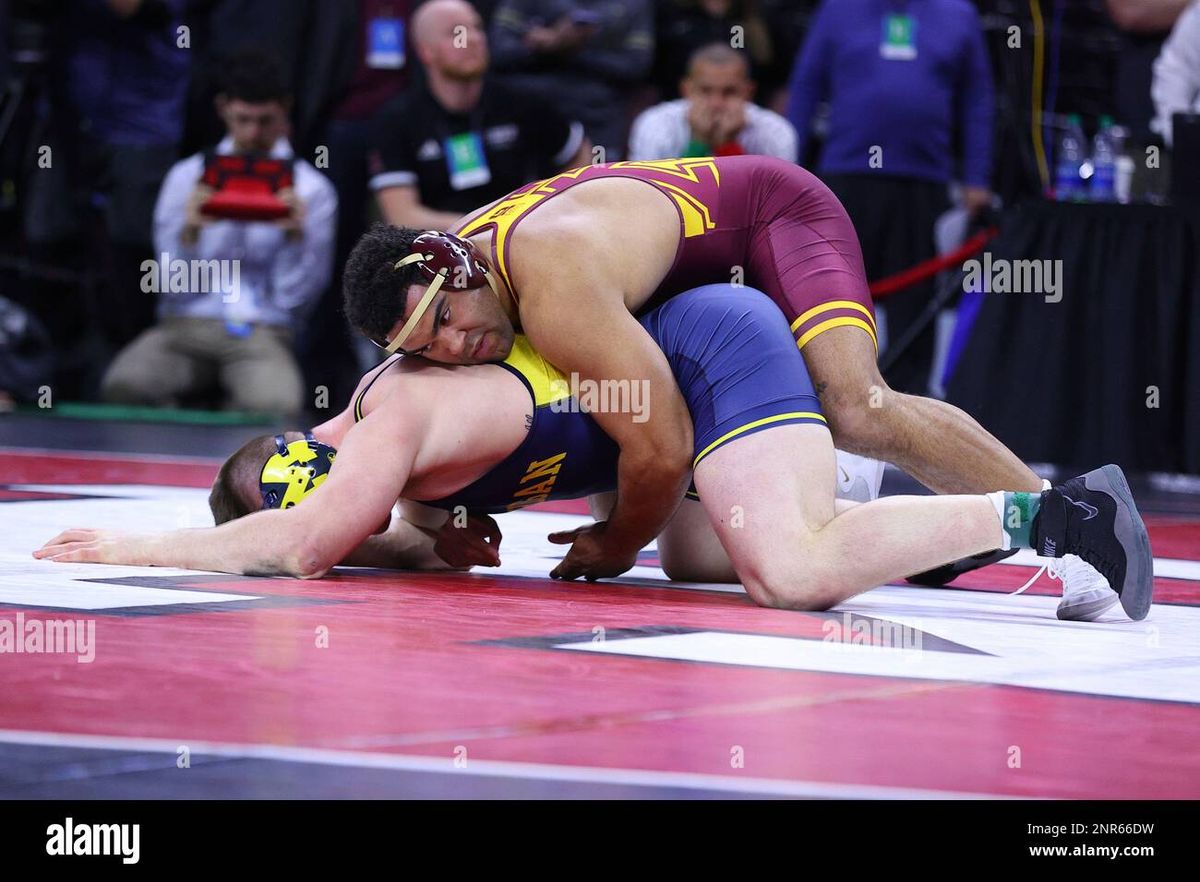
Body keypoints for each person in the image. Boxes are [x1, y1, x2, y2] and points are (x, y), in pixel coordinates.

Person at [34, 282, 1150, 622]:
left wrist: (148, 541)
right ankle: (902, 519)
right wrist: (404, 543)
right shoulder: (390, 484)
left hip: (701, 353)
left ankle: (1054, 516)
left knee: (788, 572)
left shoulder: (391, 423)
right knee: (701, 561)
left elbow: (307, 549)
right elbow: (396, 544)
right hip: (670, 395)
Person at [338, 155, 1110, 612]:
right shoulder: (462, 280)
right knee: (699, 554)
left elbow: (663, 445)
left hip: (775, 218)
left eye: (446, 315)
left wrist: (615, 543)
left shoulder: (550, 280)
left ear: (463, 267)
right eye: (429, 346)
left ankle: (1080, 526)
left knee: (854, 405)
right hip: (692, 293)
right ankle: (903, 505)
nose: (456, 344)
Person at [99, 51, 337, 415]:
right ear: (223, 108)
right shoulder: (186, 177)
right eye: (243, 119)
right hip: (186, 325)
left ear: (285, 110)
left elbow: (295, 302)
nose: (253, 133)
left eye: (265, 120)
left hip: (263, 330)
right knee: (125, 385)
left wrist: (294, 240)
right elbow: (169, 286)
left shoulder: (312, 189)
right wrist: (189, 232)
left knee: (275, 404)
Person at [784, 0, 995, 394]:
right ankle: (825, 395)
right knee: (834, 296)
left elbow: (977, 101)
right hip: (846, 176)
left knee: (914, 305)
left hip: (923, 180)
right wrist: (788, 170)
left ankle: (909, 407)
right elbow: (806, 88)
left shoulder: (959, 13)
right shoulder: (837, 9)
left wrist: (976, 177)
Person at [369, 0, 590, 231]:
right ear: (426, 51)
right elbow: (403, 216)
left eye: (477, 28)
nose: (473, 39)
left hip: (520, 245)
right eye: (457, 33)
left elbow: (578, 152)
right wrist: (491, 227)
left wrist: (560, 208)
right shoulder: (397, 120)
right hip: (438, 252)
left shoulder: (522, 103)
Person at [629, 43, 796, 162]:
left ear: (748, 91)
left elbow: (771, 206)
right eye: (706, 91)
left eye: (729, 92)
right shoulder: (654, 124)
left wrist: (727, 146)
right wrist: (698, 143)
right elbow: (651, 198)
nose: (716, 103)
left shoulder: (776, 132)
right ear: (686, 89)